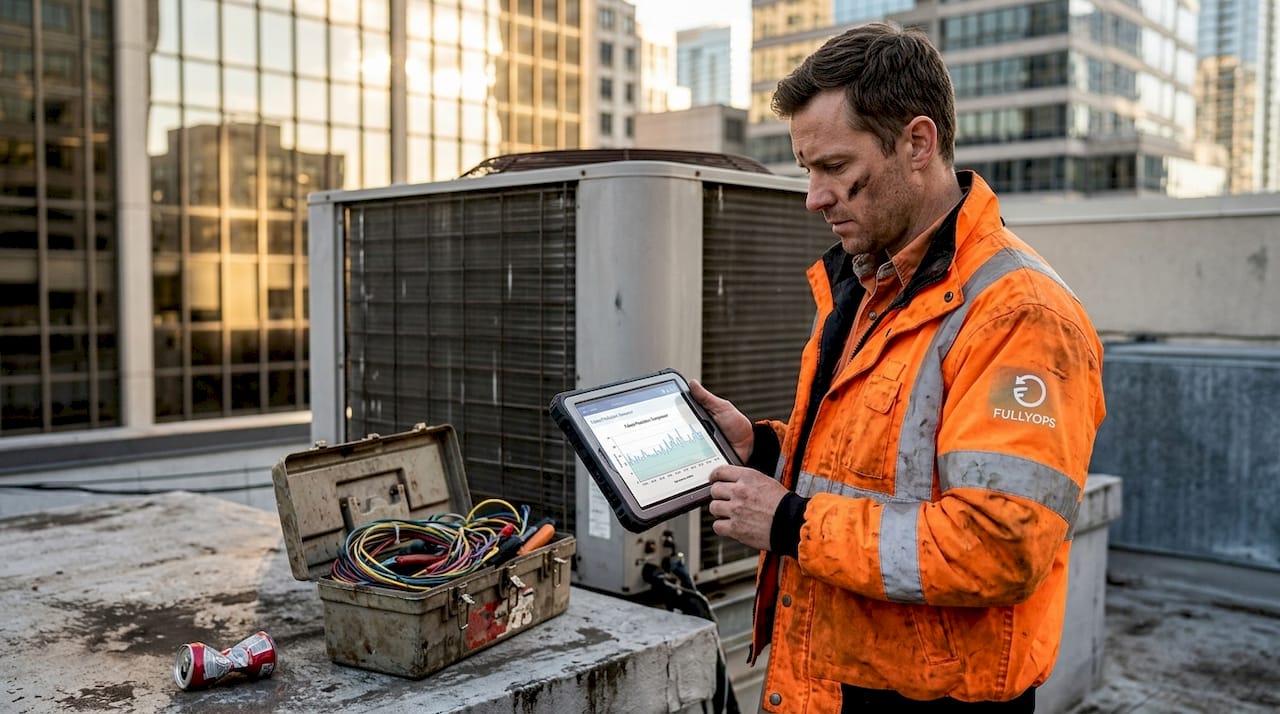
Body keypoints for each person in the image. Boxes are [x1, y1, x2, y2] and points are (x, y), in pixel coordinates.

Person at [689, 22, 1106, 713]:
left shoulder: (1020, 315)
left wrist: (791, 522)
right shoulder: (868, 285)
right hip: (836, 675)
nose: (814, 197)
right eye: (807, 170)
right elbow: (875, 472)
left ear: (917, 142)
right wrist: (765, 449)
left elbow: (1000, 542)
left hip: (934, 696)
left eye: (834, 167)